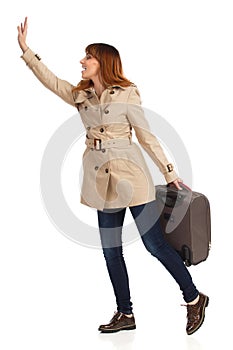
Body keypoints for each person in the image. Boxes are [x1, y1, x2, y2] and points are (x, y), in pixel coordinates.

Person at [17, 17, 209, 335]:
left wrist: (169, 172)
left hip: (133, 179)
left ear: (103, 62)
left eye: (88, 57)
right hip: (101, 183)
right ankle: (125, 313)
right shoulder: (80, 95)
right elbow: (50, 80)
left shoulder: (127, 94)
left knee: (155, 245)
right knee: (111, 250)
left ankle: (193, 298)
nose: (82, 61)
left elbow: (147, 136)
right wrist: (27, 50)